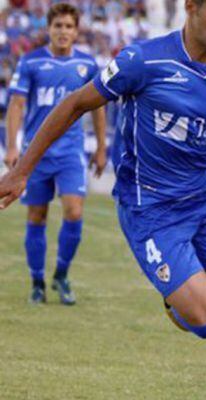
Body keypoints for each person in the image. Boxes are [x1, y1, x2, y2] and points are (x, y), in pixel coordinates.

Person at [0, 1, 206, 398]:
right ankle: (174, 298)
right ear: (191, 7)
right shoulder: (142, 61)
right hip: (150, 207)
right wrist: (21, 170)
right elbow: (76, 103)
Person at [4, 3, 107, 305]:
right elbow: (17, 105)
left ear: (76, 32)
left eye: (68, 27)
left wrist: (101, 147)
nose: (63, 32)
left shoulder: (87, 65)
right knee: (37, 216)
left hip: (71, 151)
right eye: (58, 26)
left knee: (74, 211)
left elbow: (98, 107)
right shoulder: (30, 62)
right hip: (35, 155)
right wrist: (12, 146)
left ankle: (61, 275)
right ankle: (37, 281)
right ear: (49, 29)